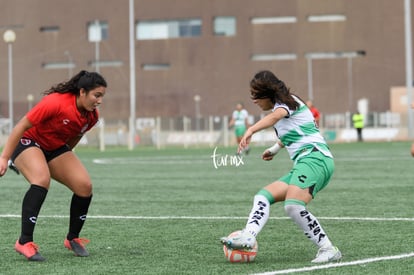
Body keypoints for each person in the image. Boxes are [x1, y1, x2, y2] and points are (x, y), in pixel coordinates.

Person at [220, 70, 342, 264]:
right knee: (263, 196)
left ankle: (328, 249)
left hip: (315, 158)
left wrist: (251, 130)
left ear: (268, 93)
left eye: (256, 95)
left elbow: (275, 118)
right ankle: (248, 236)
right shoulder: (285, 106)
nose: (254, 100)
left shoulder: (287, 103)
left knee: (293, 206)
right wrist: (275, 148)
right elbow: (295, 132)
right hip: (305, 162)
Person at [0, 70, 107, 261]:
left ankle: (72, 238)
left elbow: (75, 136)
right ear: (82, 92)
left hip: (54, 147)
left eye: (102, 96)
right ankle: (24, 242)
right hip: (27, 140)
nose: (99, 101)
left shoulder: (91, 116)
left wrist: (64, 159)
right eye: (96, 95)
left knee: (84, 187)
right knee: (41, 180)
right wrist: (4, 157)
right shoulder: (56, 102)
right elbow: (21, 126)